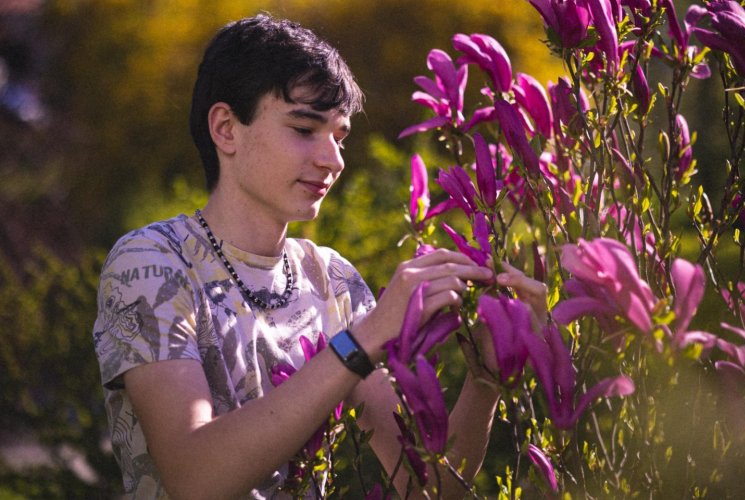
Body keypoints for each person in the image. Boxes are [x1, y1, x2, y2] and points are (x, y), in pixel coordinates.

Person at [93, 13, 546, 499]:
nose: (333, 159)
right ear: (226, 128)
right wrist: (363, 339)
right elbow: (196, 479)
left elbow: (427, 486)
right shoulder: (152, 263)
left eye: (340, 135)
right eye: (305, 128)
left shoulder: (332, 280)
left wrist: (485, 379)